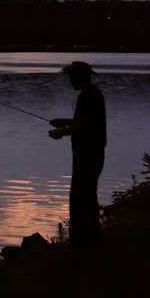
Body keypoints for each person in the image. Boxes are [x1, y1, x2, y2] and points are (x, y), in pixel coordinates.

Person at [49, 61, 107, 247]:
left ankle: (84, 241)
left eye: (73, 77)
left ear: (83, 76)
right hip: (87, 152)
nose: (71, 81)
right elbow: (83, 121)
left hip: (89, 153)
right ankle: (86, 239)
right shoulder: (90, 95)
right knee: (84, 194)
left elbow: (86, 124)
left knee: (83, 195)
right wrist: (64, 122)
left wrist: (62, 132)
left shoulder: (90, 96)